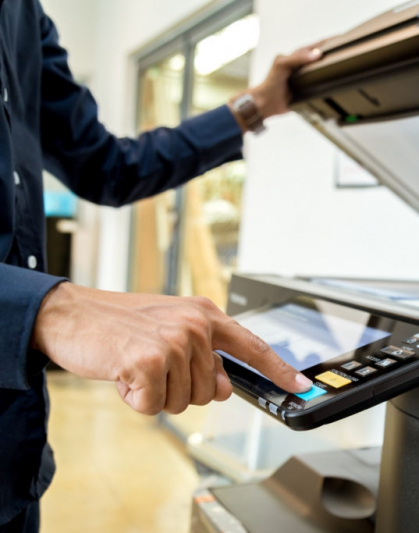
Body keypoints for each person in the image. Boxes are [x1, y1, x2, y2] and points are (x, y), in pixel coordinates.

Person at [0, 1, 321, 531]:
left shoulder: (23, 15)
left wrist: (252, 106)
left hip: (14, 451)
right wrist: (46, 309)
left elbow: (109, 166)